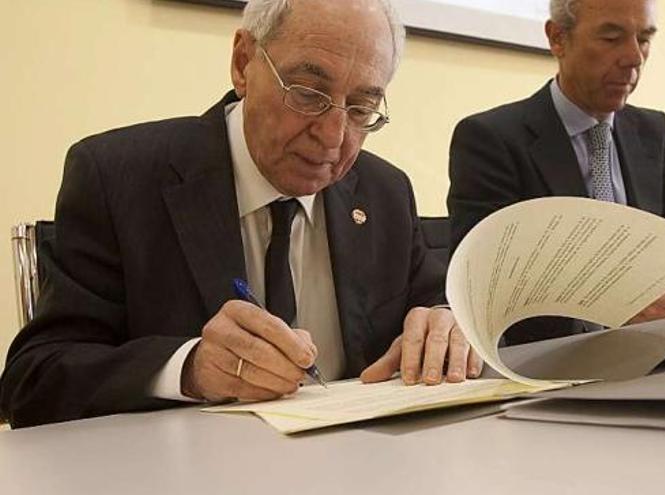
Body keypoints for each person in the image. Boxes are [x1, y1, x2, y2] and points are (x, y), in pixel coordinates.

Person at [0, 0, 482, 429]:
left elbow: (434, 298)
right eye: (309, 93)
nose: (334, 137)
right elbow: (33, 381)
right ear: (243, 62)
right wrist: (190, 369)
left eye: (361, 108)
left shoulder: (383, 191)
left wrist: (446, 320)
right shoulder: (117, 176)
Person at [447, 0, 665, 345]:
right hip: (550, 361)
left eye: (644, 39)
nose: (634, 58)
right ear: (557, 39)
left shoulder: (652, 131)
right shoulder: (492, 138)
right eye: (611, 38)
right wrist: (614, 300)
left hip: (657, 352)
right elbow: (486, 275)